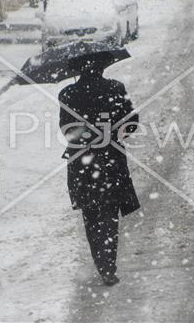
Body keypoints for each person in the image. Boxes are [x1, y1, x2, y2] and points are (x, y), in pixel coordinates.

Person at [58, 56, 140, 286]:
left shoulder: (67, 94)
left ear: (76, 69)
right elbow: (132, 121)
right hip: (110, 159)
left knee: (91, 215)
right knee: (109, 214)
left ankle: (101, 263)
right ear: (103, 66)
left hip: (81, 162)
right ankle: (108, 266)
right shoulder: (115, 88)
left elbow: (66, 128)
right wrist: (114, 133)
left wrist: (85, 134)